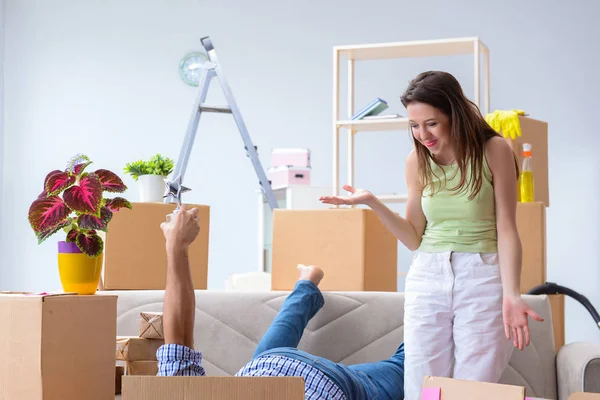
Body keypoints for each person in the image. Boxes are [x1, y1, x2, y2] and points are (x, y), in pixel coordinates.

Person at [319, 71, 544, 400]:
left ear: (454, 114)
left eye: (431, 123)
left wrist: (512, 294)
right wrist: (372, 203)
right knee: (423, 386)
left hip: (481, 275)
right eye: (414, 125)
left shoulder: (493, 149)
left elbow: (507, 227)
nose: (422, 134)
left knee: (473, 389)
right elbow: (413, 237)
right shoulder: (417, 161)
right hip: (427, 274)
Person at [157, 204, 406, 400]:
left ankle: (307, 284)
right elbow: (178, 343)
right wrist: (177, 246)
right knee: (268, 360)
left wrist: (177, 245)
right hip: (273, 368)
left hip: (308, 378)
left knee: (403, 366)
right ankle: (306, 284)